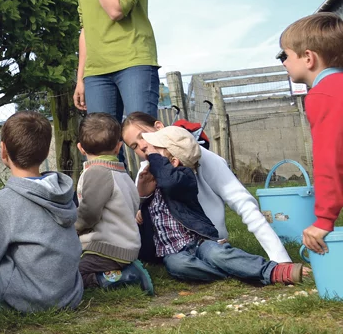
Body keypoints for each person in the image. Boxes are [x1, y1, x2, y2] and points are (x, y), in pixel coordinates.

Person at [136, 126, 303, 285]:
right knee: (179, 266)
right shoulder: (149, 176)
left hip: (199, 242)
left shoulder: (184, 178)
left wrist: (154, 158)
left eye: (155, 151)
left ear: (173, 161)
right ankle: (237, 272)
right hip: (174, 251)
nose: (147, 153)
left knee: (218, 255)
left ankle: (270, 271)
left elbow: (169, 181)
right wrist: (142, 196)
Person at [122, 112, 292, 264]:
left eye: (142, 136)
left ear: (159, 127)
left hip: (209, 239)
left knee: (213, 256)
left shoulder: (204, 158)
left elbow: (243, 203)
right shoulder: (145, 171)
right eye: (134, 146)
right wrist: (141, 201)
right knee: (180, 266)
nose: (142, 146)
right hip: (172, 250)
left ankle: (261, 268)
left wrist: (280, 256)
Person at [0, 111, 84, 312]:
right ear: (44, 151)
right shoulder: (63, 192)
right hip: (69, 294)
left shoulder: (6, 200)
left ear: (3, 150)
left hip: (29, 298)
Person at [71, 0, 159, 169]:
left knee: (146, 140)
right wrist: (81, 78)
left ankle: (163, 207)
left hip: (133, 61)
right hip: (97, 72)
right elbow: (86, 27)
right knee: (101, 150)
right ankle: (114, 210)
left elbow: (116, 10)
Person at [278, 12, 343, 254]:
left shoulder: (323, 95)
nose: (284, 62)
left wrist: (324, 220)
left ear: (308, 58)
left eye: (286, 55)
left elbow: (330, 159)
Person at [75, 113, 154, 294]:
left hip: (106, 249)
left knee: (71, 274)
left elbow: (89, 213)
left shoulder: (97, 172)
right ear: (119, 147)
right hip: (126, 246)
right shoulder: (121, 173)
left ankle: (124, 277)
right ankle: (124, 268)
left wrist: (74, 228)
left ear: (80, 148)